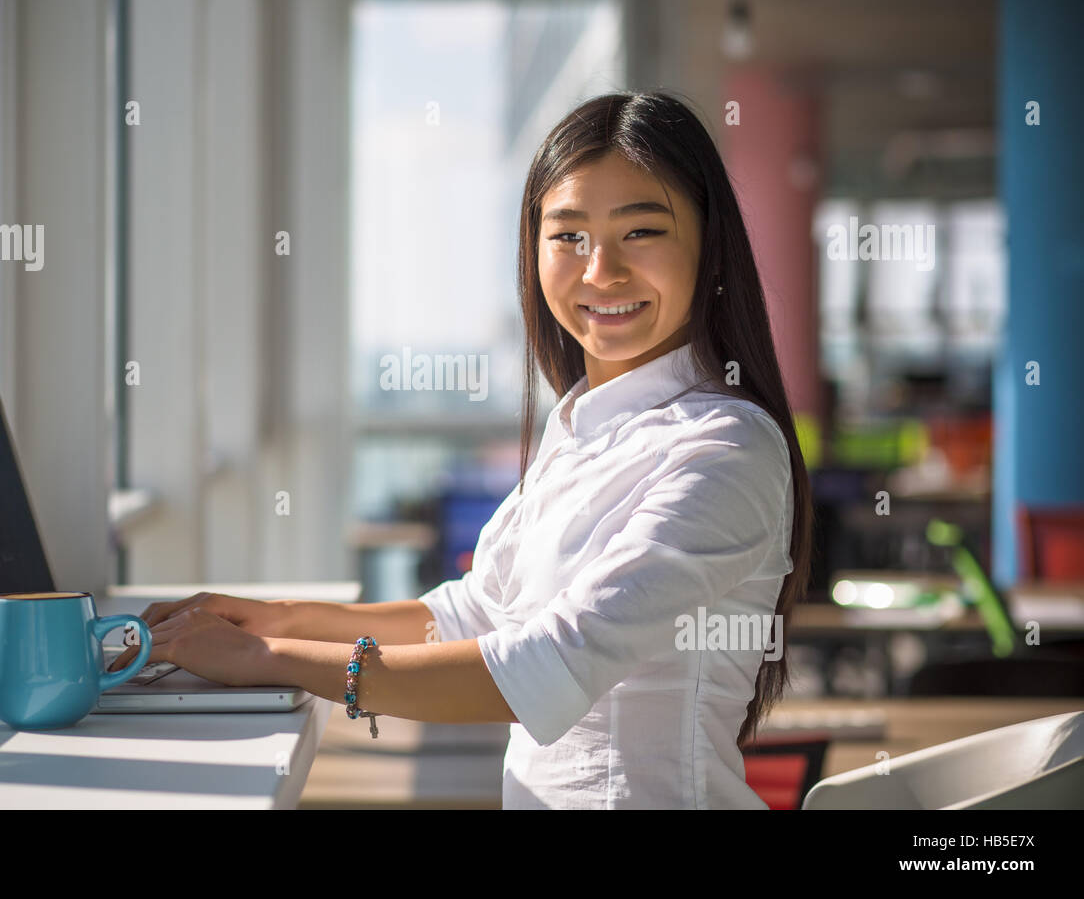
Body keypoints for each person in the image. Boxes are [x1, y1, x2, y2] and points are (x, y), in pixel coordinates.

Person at [109, 90, 813, 809]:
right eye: (568, 235)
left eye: (641, 232)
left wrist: (268, 660)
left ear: (710, 247)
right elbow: (470, 615)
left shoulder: (726, 448)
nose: (600, 270)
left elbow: (547, 664)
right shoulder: (581, 426)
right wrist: (274, 617)